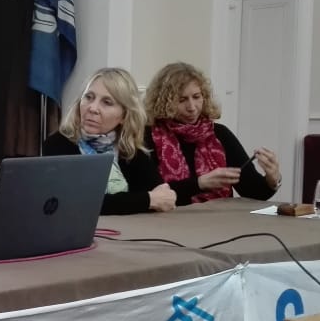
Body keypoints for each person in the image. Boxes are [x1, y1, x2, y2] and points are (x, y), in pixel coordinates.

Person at [144, 61, 281, 205]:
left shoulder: (220, 134)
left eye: (196, 97)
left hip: (219, 216)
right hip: (168, 217)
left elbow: (253, 193)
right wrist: (200, 184)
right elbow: (149, 194)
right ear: (163, 102)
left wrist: (272, 178)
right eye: (182, 100)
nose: (192, 107)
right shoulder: (148, 136)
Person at [42, 67, 176, 215]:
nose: (93, 108)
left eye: (107, 102)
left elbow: (162, 195)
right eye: (89, 97)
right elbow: (77, 202)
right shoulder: (58, 144)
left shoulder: (128, 147)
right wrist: (147, 200)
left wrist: (150, 199)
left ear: (124, 115)